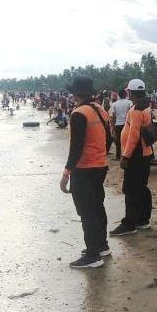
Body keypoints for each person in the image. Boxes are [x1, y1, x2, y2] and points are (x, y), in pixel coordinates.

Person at [59, 76, 111, 268]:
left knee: (87, 212)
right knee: (97, 206)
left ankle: (93, 255)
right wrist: (101, 156)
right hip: (100, 166)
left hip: (84, 169)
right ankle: (101, 245)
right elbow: (109, 139)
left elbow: (76, 148)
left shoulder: (79, 113)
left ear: (76, 94)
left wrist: (66, 174)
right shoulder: (100, 110)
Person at [110, 79, 154, 236]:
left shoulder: (136, 110)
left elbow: (134, 135)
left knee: (130, 189)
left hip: (136, 154)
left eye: (129, 91)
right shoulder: (146, 106)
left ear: (131, 93)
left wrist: (125, 156)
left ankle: (129, 224)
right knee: (141, 187)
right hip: (145, 152)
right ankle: (143, 219)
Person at [110, 90, 133, 160]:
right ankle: (127, 155)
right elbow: (131, 112)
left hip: (118, 124)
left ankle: (117, 156)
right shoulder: (129, 102)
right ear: (126, 95)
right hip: (127, 124)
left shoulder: (114, 104)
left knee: (118, 141)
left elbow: (113, 116)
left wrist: (113, 126)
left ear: (118, 95)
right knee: (128, 140)